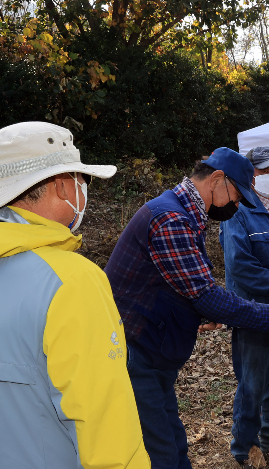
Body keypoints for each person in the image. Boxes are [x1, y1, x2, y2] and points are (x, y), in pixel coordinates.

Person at [104, 147, 269, 469]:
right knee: (160, 452)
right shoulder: (171, 219)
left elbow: (180, 284)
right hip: (136, 351)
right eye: (236, 196)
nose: (236, 205)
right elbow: (207, 295)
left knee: (173, 444)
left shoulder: (185, 214)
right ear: (217, 180)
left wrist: (200, 312)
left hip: (152, 351)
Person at [0, 122, 150, 468]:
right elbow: (104, 422)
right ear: (63, 185)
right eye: (82, 179)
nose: (84, 188)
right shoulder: (72, 280)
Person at [220, 147, 269, 466]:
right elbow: (240, 264)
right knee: (253, 384)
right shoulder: (237, 211)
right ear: (250, 174)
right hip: (255, 313)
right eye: (264, 171)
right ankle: (244, 449)